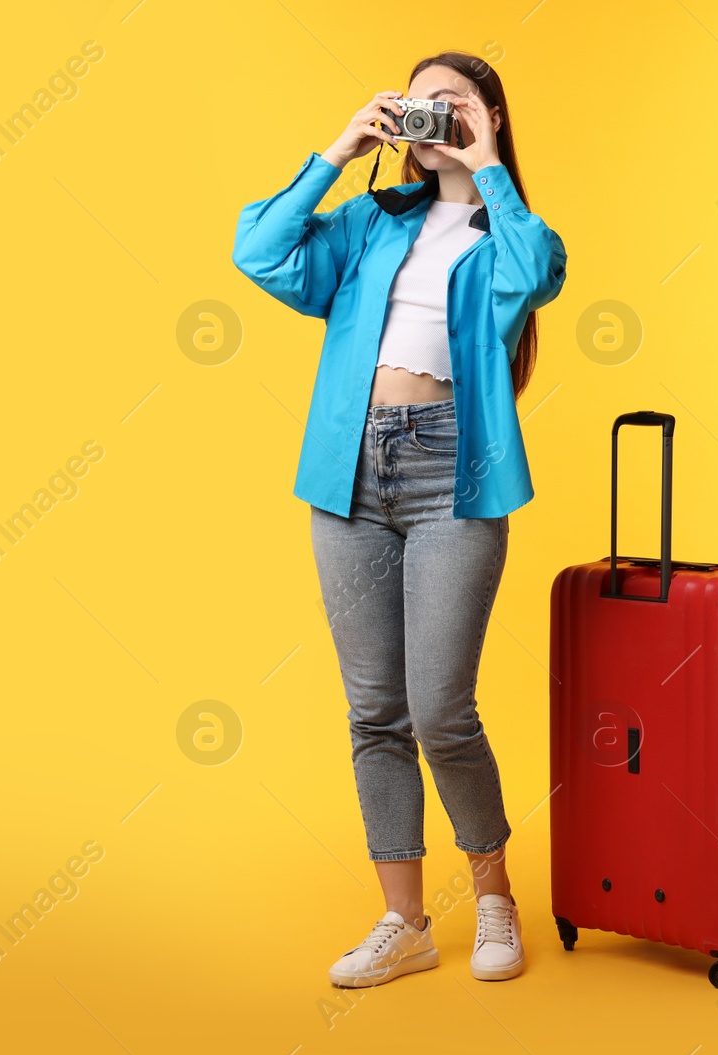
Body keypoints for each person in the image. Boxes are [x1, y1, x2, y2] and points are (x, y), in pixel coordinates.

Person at [231, 50, 566, 987]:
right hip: (348, 476)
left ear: (489, 114)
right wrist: (340, 149)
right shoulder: (372, 225)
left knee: (440, 709)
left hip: (452, 473)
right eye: (413, 107)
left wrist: (487, 162)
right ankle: (405, 922)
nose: (429, 120)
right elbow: (260, 250)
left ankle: (494, 897)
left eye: (449, 104)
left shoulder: (505, 231)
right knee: (375, 711)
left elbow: (537, 273)